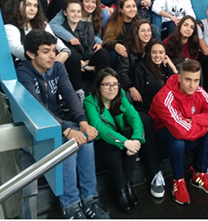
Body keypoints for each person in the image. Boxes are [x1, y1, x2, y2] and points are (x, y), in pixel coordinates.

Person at [17, 30, 109, 219]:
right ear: (31, 54)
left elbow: (70, 96)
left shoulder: (57, 68)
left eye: (53, 50)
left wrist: (82, 122)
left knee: (87, 140)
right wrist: (67, 130)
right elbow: (37, 109)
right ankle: (71, 205)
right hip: (35, 129)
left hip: (58, 122)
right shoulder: (23, 73)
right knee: (69, 146)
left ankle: (90, 199)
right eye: (46, 51)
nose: (53, 55)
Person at [149, 59, 208, 205]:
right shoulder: (164, 96)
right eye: (188, 80)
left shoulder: (199, 91)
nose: (192, 85)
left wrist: (193, 120)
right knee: (177, 140)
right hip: (164, 141)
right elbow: (180, 132)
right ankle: (178, 180)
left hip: (188, 133)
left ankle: (199, 175)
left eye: (196, 80)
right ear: (179, 77)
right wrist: (204, 126)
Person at [83, 68, 144, 213]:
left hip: (119, 138)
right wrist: (124, 142)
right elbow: (99, 128)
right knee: (113, 146)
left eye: (115, 84)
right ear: (99, 86)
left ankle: (127, 183)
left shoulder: (121, 94)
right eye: (107, 85)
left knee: (132, 135)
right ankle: (120, 187)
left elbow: (134, 116)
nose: (112, 88)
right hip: (102, 144)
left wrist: (136, 139)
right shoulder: (89, 101)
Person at [132, 40, 178, 198]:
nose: (157, 55)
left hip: (164, 111)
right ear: (149, 53)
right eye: (154, 52)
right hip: (146, 110)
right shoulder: (140, 67)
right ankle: (154, 174)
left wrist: (172, 67)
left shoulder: (166, 70)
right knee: (146, 123)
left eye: (161, 52)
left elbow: (178, 87)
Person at [58, 0, 111, 87]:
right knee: (73, 56)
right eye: (72, 11)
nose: (76, 14)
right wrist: (81, 63)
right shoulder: (61, 29)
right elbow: (68, 50)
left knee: (103, 53)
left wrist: (85, 64)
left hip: (87, 62)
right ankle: (78, 91)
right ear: (65, 12)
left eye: (78, 11)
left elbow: (90, 47)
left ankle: (100, 86)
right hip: (72, 67)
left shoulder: (87, 26)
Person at [115, 19, 152, 104]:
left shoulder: (153, 47)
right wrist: (131, 87)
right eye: (143, 31)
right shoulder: (127, 48)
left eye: (148, 30)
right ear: (136, 33)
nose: (147, 34)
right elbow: (121, 72)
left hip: (147, 84)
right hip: (131, 85)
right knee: (127, 97)